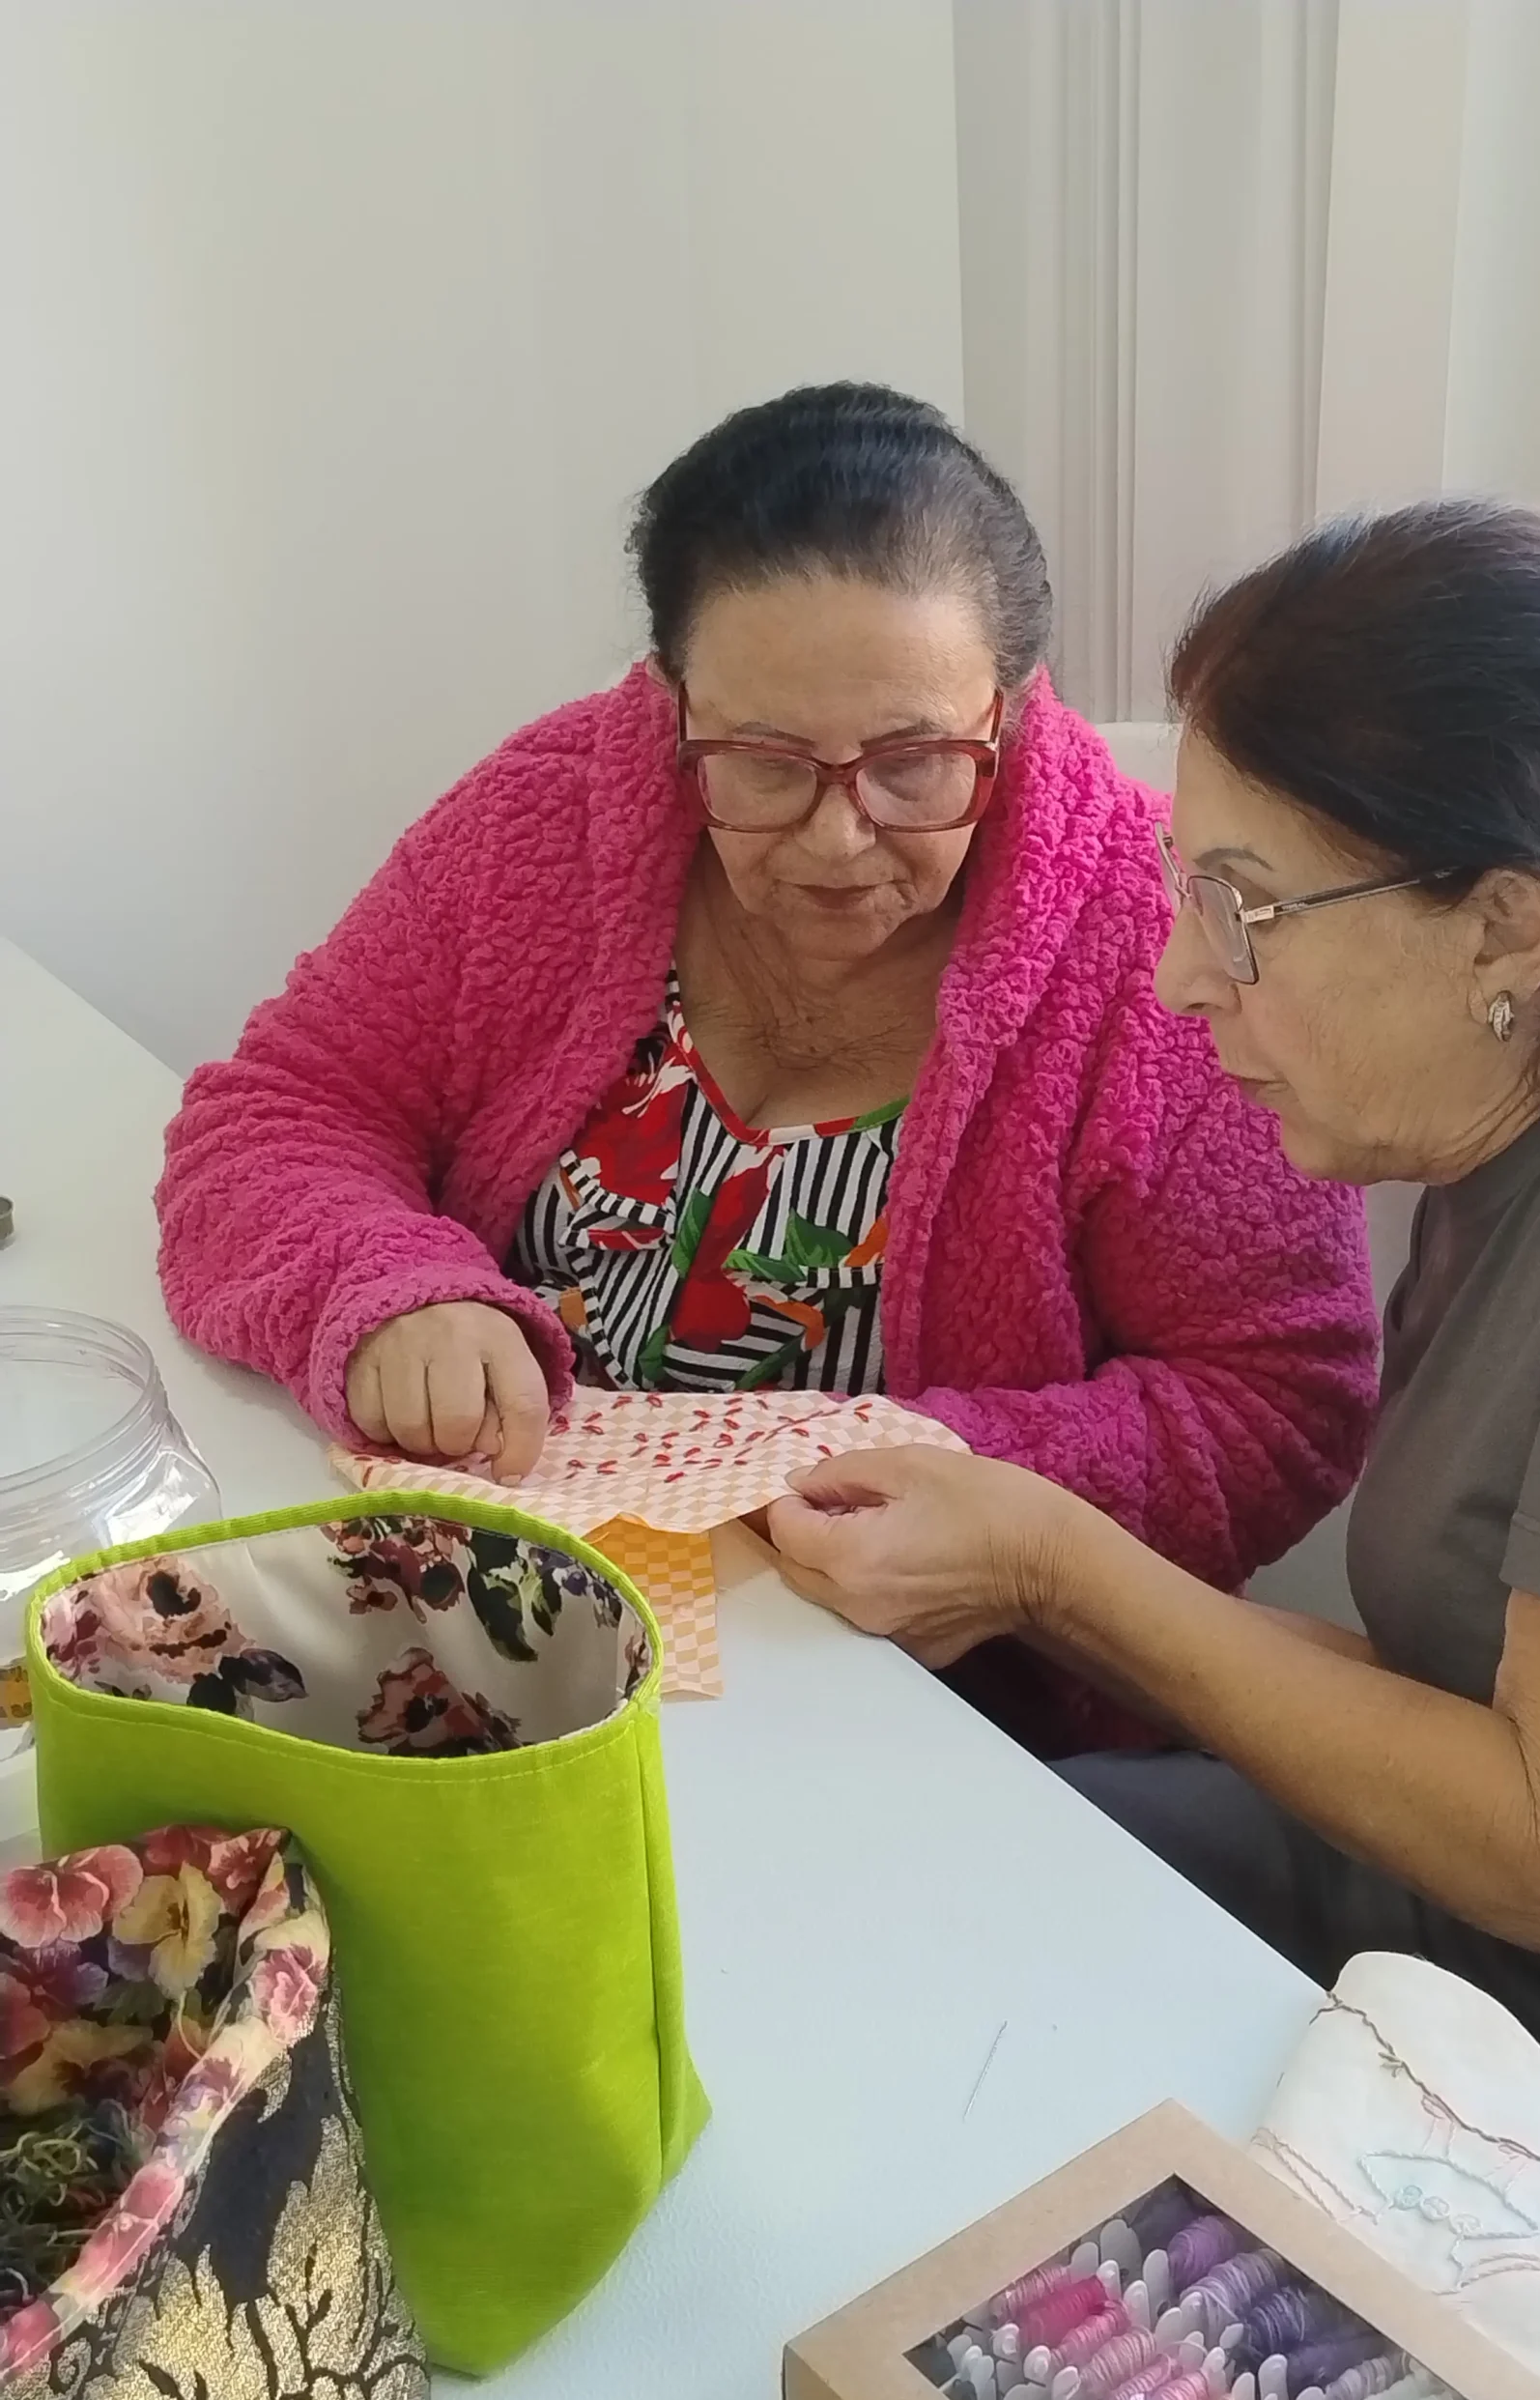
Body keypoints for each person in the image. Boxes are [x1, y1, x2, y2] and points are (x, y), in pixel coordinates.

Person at [765, 499, 1540, 2197]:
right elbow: (1464, 1700)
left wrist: (1058, 1569)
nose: (1181, 979)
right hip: (1453, 1929)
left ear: (1506, 929)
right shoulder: (1528, 1120)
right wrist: (1023, 1566)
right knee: (872, 1873)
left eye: (1242, 907)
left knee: (895, 2053)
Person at [157, 381, 1377, 1755]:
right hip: (487, 1618)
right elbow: (283, 1112)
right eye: (762, 763)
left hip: (920, 1711)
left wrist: (968, 1489)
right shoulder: (550, 820)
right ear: (671, 704)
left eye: (916, 763)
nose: (838, 838)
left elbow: (1277, 1400)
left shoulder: (1155, 948)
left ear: (1014, 711)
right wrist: (390, 1290)